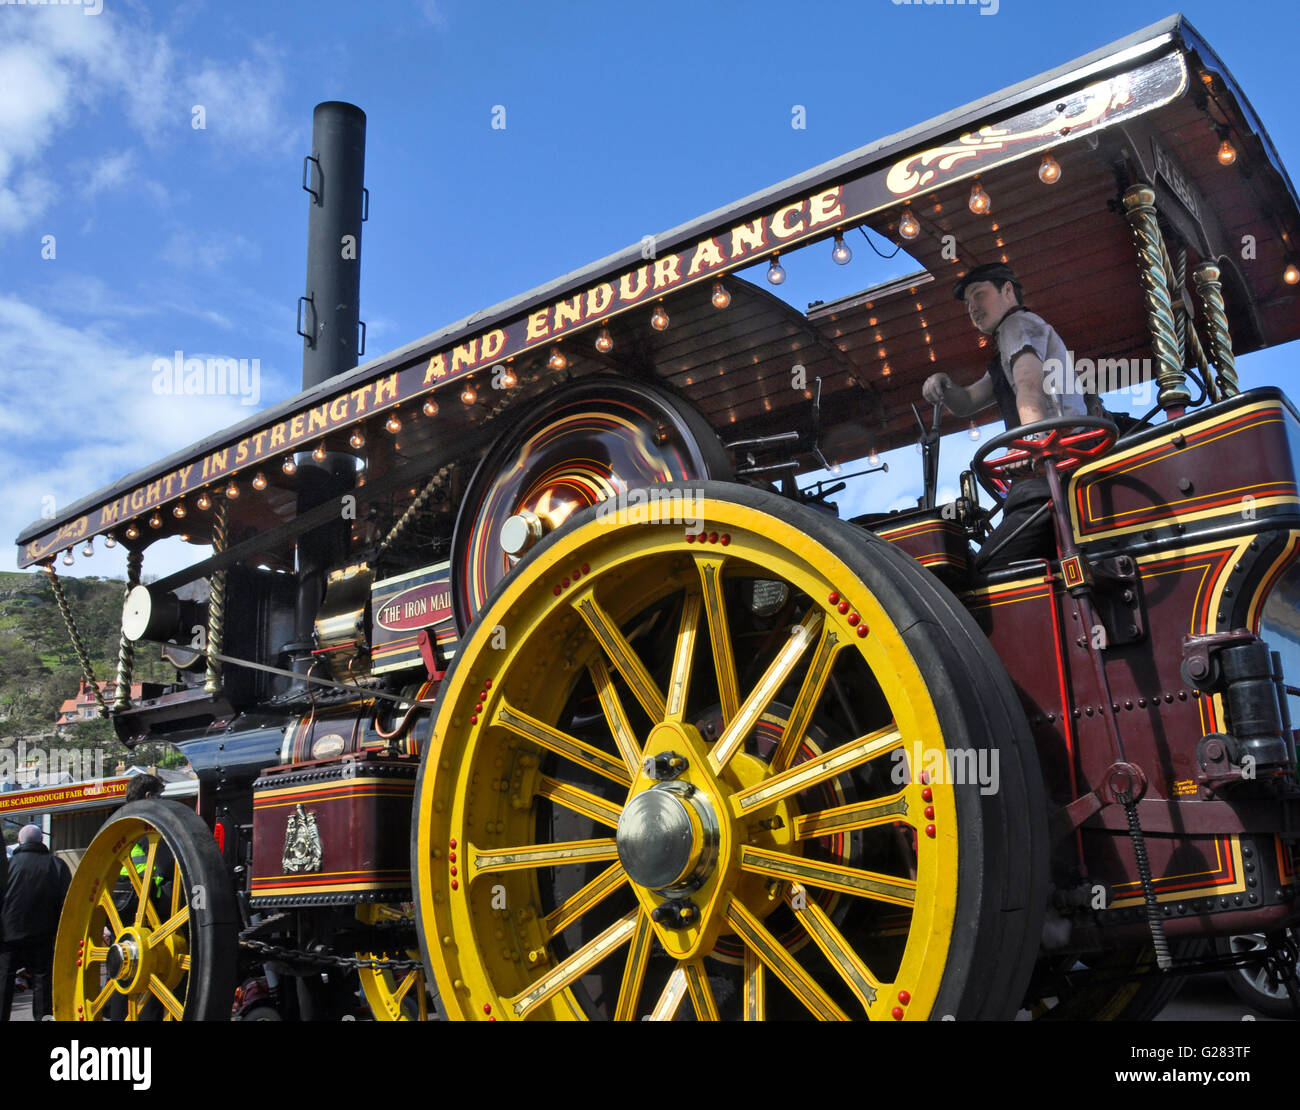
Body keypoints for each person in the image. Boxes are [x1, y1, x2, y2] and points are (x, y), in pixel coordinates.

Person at [922, 262, 1095, 568]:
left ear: (1007, 291)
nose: (973, 308)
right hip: (1055, 469)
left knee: (985, 573)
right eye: (968, 304)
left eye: (979, 295)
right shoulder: (1012, 342)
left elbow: (1030, 385)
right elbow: (968, 402)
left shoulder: (1017, 324)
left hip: (1050, 473)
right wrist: (945, 385)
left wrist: (1032, 440)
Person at [0, 824, 70, 1020]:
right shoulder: (57, 865)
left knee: (4, 983)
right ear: (41, 841)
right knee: (42, 985)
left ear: (19, 842)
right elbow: (66, 903)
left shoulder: (8, 866)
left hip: (8, 936)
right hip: (43, 936)